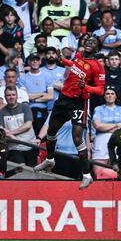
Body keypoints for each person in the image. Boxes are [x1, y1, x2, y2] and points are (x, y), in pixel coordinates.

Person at [33, 36, 105, 190]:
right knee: (51, 131)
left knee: (77, 137)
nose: (89, 43)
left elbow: (100, 90)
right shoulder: (78, 56)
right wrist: (62, 60)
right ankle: (50, 159)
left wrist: (85, 87)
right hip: (64, 98)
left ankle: (86, 175)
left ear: (97, 49)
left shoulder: (98, 66)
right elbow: (74, 66)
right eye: (88, 41)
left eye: (93, 42)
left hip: (79, 102)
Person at [0, 85, 38, 167]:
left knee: (32, 172)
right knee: (20, 170)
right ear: (5, 97)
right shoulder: (1, 112)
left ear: (17, 96)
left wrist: (11, 133)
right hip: (14, 148)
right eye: (8, 95)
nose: (11, 97)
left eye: (13, 95)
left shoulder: (25, 107)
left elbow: (28, 125)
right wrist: (9, 135)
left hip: (30, 146)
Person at [91, 86, 121, 178]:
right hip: (101, 142)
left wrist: (105, 126)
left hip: (117, 141)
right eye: (107, 94)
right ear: (104, 96)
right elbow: (98, 126)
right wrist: (117, 125)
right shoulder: (98, 109)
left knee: (116, 173)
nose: (110, 96)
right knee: (98, 173)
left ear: (116, 96)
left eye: (112, 93)